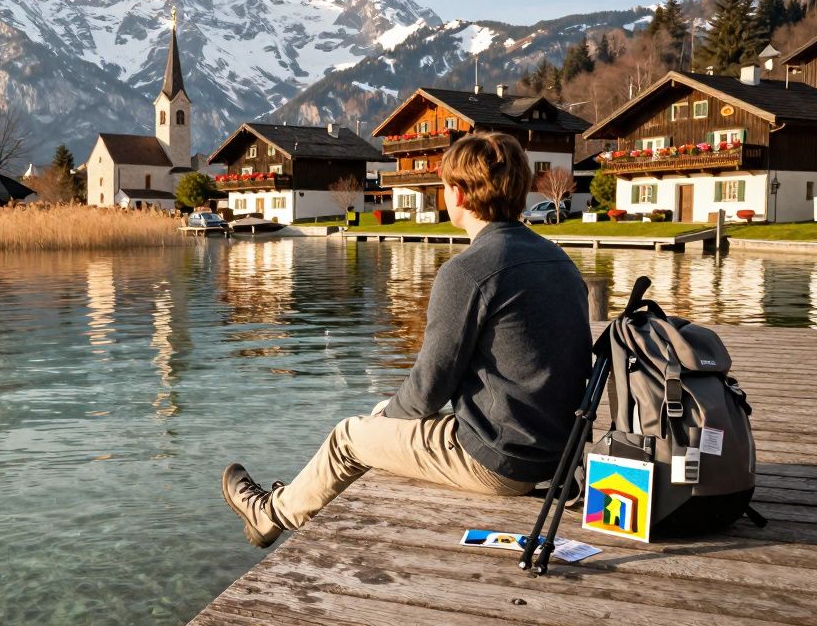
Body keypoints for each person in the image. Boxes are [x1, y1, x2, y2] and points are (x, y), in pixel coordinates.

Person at [221, 132, 591, 548]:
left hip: (501, 460)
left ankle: (271, 514)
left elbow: (428, 390)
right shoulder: (559, 260)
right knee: (382, 411)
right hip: (554, 454)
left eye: (445, 186)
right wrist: (390, 412)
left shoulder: (469, 271)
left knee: (348, 437)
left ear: (459, 194)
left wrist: (386, 418)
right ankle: (287, 501)